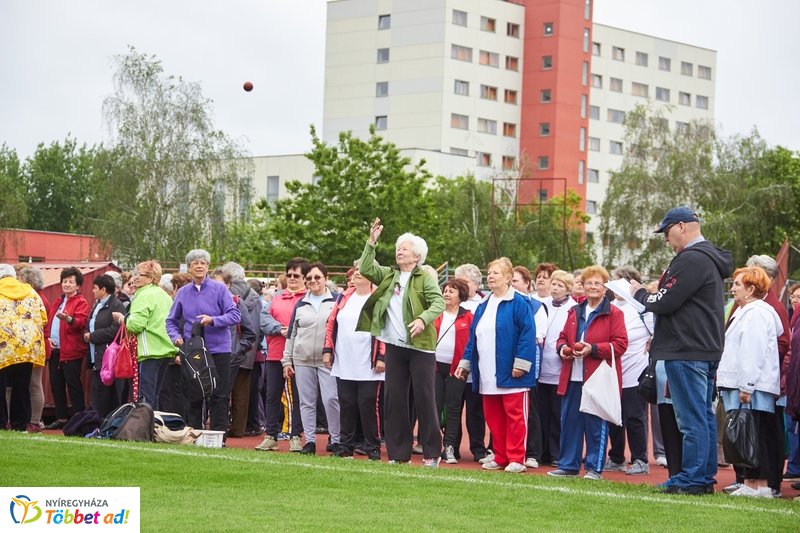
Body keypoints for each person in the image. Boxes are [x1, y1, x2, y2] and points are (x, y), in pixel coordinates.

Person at [631, 206, 733, 495]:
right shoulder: (707, 258)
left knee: (691, 418)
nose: (666, 239)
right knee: (702, 416)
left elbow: (666, 301)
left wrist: (639, 293)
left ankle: (693, 478)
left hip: (686, 348)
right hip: (702, 347)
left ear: (681, 227)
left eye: (666, 231)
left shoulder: (691, 259)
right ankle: (700, 476)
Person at [357, 218, 445, 466]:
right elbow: (366, 268)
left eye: (404, 248)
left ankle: (432, 453)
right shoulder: (389, 275)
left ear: (417, 256)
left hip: (421, 348)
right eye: (398, 248)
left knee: (424, 399)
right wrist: (371, 242)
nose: (399, 251)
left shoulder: (424, 277)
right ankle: (398, 454)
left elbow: (438, 302)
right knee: (394, 400)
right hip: (395, 347)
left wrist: (423, 319)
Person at [455, 257, 537, 473]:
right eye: (489, 272)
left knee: (515, 416)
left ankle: (516, 458)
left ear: (508, 278)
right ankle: (500, 456)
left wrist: (521, 364)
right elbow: (474, 338)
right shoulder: (484, 305)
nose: (490, 276)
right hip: (487, 372)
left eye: (496, 273)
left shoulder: (520, 303)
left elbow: (528, 335)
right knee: (494, 417)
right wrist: (465, 363)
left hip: (511, 372)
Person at [547, 265, 628, 480]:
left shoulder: (614, 313)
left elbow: (620, 344)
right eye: (588, 283)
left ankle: (594, 468)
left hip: (597, 378)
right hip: (572, 376)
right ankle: (568, 465)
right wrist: (563, 349)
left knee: (596, 423)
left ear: (605, 288)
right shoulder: (574, 311)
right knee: (570, 422)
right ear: (582, 286)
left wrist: (592, 349)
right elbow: (562, 337)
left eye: (597, 283)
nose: (592, 287)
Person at [718, 267, 782, 497]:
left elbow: (752, 351)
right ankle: (750, 481)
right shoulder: (748, 311)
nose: (733, 289)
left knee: (755, 433)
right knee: (746, 434)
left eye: (737, 284)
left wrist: (747, 385)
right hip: (743, 383)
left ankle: (761, 485)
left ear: (751, 289)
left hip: (750, 386)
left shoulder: (756, 313)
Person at [166, 250, 241, 433]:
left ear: (208, 267)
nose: (199, 266)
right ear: (189, 268)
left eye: (203, 263)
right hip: (193, 351)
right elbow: (171, 321)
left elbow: (235, 315)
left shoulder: (220, 289)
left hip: (219, 349)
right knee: (194, 394)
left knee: (219, 395)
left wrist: (213, 320)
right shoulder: (183, 292)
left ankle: (218, 437)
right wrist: (176, 338)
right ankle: (194, 434)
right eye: (195, 263)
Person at [323, 266, 385, 460]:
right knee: (347, 404)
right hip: (344, 360)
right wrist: (327, 350)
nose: (357, 273)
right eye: (356, 270)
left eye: (362, 270)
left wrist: (382, 356)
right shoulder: (344, 297)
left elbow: (385, 328)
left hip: (368, 363)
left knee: (368, 405)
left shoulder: (379, 298)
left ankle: (372, 447)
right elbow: (331, 324)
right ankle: (345, 447)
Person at [282, 262, 340, 455]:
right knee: (306, 402)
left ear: (325, 278)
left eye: (317, 277)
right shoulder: (300, 304)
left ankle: (336, 439)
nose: (313, 281)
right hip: (302, 360)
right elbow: (291, 334)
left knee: (331, 399)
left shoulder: (337, 300)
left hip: (328, 360)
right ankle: (310, 441)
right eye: (309, 278)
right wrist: (287, 361)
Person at [605, 266, 654, 476]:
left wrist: (652, 340)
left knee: (634, 416)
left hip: (635, 370)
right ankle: (616, 457)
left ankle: (640, 459)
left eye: (621, 282)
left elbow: (658, 330)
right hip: (612, 371)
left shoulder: (641, 308)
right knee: (613, 416)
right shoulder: (608, 306)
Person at [255, 258, 307, 453]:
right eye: (289, 274)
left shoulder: (308, 298)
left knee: (297, 397)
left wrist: (291, 330)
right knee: (272, 396)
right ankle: (271, 436)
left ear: (304, 278)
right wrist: (280, 329)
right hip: (275, 353)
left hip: (299, 355)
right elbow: (263, 319)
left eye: (296, 275)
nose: (292, 278)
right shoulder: (276, 297)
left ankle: (295, 436)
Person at [114, 261, 179, 410]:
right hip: (165, 350)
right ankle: (153, 423)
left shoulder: (143, 295)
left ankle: (145, 424)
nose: (135, 277)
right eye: (135, 273)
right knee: (155, 395)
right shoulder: (165, 295)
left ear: (150, 278)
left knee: (145, 397)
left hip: (149, 350)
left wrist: (121, 318)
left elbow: (135, 325)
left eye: (139, 274)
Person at [0, 264, 47, 431]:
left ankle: (1, 423)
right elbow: (43, 317)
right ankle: (20, 424)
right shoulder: (30, 291)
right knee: (22, 386)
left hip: (3, 346)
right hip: (28, 346)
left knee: (1, 386)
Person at [433, 278, 474, 464]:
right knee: (434, 406)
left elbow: (472, 343)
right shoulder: (435, 312)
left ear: (461, 295)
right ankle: (432, 445)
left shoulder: (468, 316)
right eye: (445, 290)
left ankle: (449, 446)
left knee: (453, 408)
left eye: (451, 291)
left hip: (457, 369)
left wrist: (465, 365)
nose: (447, 294)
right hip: (434, 367)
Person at [538, 269, 576, 466]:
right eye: (553, 284)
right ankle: (542, 451)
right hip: (541, 368)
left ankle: (556, 453)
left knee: (557, 414)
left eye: (560, 285)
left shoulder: (573, 308)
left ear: (568, 289)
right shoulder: (543, 305)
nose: (555, 288)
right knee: (542, 413)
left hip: (561, 369)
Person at [511, 265, 547, 469]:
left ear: (527, 284)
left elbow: (537, 336)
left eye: (516, 281)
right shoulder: (502, 303)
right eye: (510, 281)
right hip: (504, 363)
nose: (512, 285)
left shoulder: (536, 306)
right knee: (508, 408)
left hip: (527, 365)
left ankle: (532, 453)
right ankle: (502, 449)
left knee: (529, 409)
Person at [45, 267, 90, 429]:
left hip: (71, 351)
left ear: (78, 285)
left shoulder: (81, 302)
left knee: (73, 386)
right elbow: (50, 323)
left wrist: (69, 319)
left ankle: (79, 419)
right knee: (56, 386)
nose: (67, 284)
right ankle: (61, 418)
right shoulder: (58, 301)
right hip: (55, 350)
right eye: (64, 281)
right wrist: (48, 339)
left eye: (71, 282)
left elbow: (81, 323)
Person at [83, 274, 127, 417]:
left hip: (108, 357)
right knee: (98, 391)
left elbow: (116, 330)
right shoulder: (97, 304)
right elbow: (89, 324)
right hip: (96, 355)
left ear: (103, 290)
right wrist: (86, 333)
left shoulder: (116, 305)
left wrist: (93, 336)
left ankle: (106, 421)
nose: (93, 291)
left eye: (95, 288)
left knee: (106, 392)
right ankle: (98, 420)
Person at [16, 266, 49, 433]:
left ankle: (35, 421)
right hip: (31, 346)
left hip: (36, 346)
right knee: (28, 384)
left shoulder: (36, 298)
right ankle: (30, 419)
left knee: (34, 384)